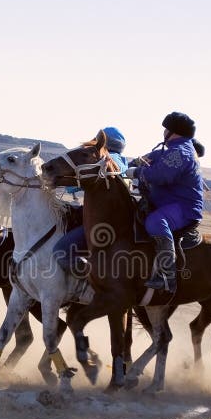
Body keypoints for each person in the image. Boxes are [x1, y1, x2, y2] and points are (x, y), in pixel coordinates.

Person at [125, 111, 203, 292]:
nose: (163, 133)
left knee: (155, 222)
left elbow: (160, 175)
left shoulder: (181, 152)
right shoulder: (173, 151)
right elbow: (152, 159)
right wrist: (133, 163)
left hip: (184, 208)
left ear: (173, 131)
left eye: (165, 129)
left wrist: (137, 172)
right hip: (168, 203)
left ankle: (167, 276)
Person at [55, 126, 128, 275]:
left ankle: (83, 286)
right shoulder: (122, 161)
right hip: (111, 217)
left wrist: (66, 184)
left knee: (61, 250)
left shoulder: (108, 159)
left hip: (102, 220)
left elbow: (85, 179)